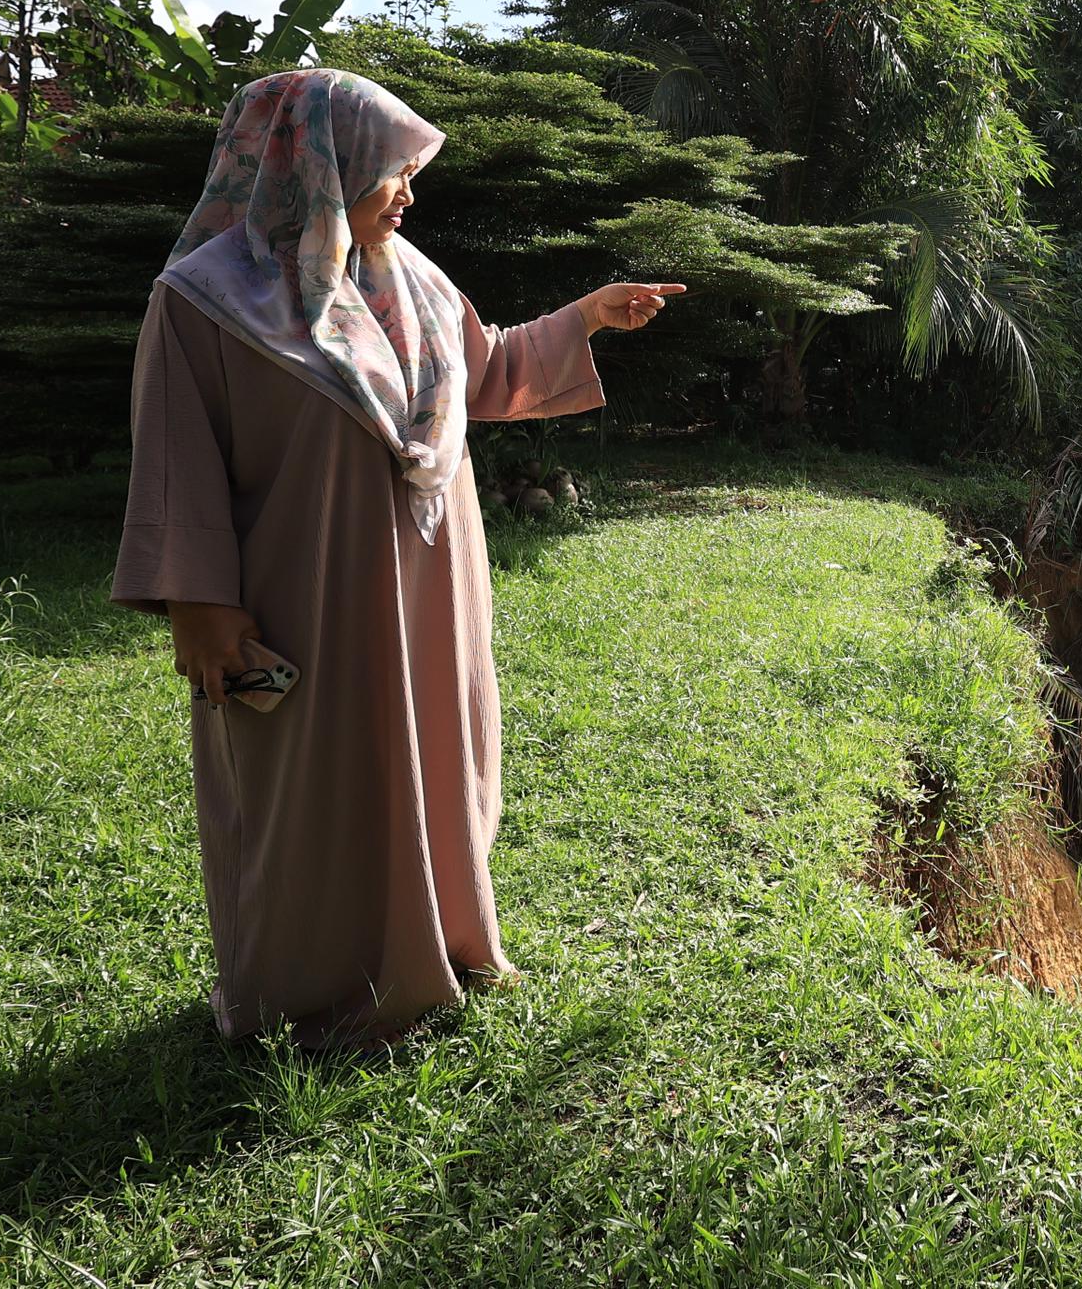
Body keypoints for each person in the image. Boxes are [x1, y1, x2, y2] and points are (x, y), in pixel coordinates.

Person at [111, 68, 682, 1046]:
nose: (409, 192)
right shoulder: (203, 300)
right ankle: (306, 994)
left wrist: (585, 315)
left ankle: (442, 949)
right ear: (316, 167)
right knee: (313, 783)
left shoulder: (411, 277)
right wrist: (197, 603)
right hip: (308, 592)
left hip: (430, 591)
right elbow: (174, 454)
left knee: (433, 758)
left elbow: (488, 370)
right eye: (391, 170)